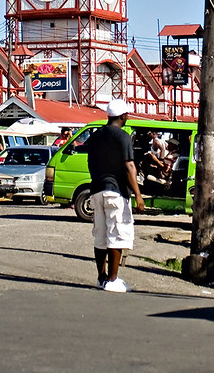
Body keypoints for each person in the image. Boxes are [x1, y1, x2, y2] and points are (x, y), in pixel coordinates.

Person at [87, 98, 145, 293]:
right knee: (117, 234)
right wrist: (138, 195)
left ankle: (101, 277)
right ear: (123, 116)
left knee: (100, 236)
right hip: (116, 191)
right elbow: (129, 166)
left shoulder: (95, 135)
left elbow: (90, 162)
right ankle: (113, 280)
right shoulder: (123, 137)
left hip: (96, 190)